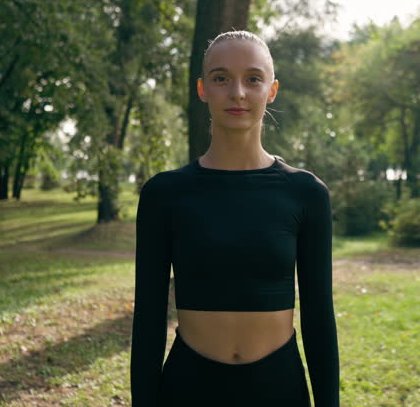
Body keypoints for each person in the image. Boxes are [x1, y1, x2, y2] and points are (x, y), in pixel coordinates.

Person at [130, 30, 339, 406]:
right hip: (188, 389)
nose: (238, 92)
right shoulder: (165, 194)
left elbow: (320, 320)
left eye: (253, 79)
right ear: (202, 89)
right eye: (221, 78)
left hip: (279, 389)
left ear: (272, 90)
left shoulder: (306, 194)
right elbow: (147, 321)